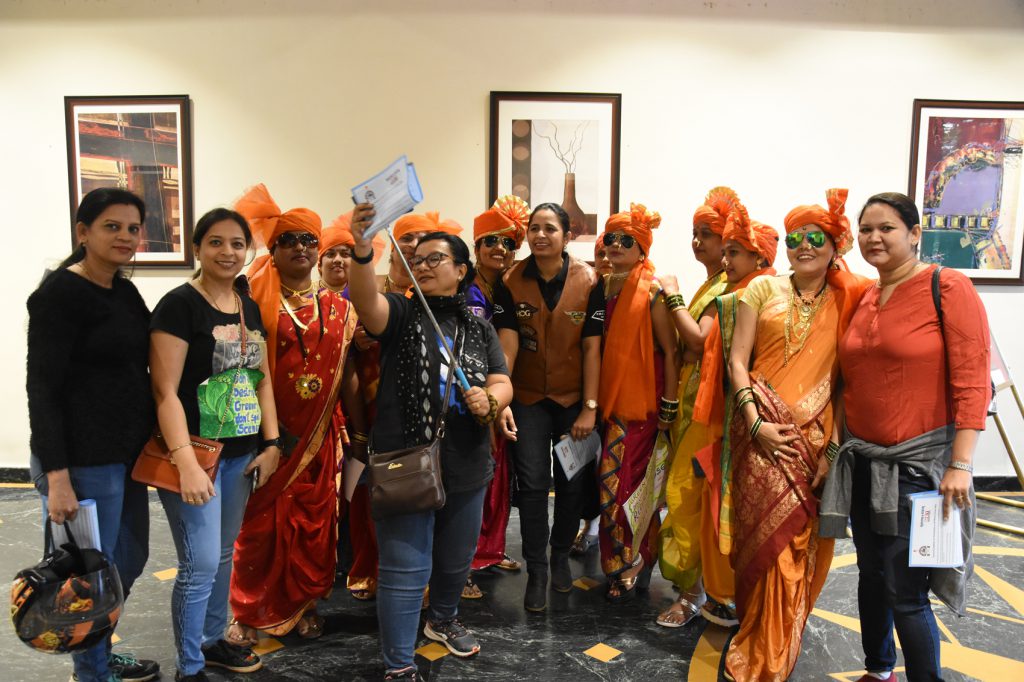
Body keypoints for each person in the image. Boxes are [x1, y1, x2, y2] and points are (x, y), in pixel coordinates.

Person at [822, 192, 988, 682]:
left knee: (906, 593)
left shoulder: (947, 287)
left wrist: (961, 464)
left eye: (887, 228)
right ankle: (879, 670)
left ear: (915, 234)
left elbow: (972, 380)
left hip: (918, 469)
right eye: (866, 229)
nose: (874, 237)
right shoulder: (865, 296)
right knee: (871, 577)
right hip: (863, 462)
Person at [347, 203, 513, 681]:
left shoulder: (480, 328)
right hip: (405, 460)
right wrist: (362, 248)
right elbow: (366, 303)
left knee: (456, 560)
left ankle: (442, 620)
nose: (422, 266)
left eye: (435, 259)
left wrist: (492, 399)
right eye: (417, 260)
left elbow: (502, 379)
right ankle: (399, 663)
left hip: (467, 460)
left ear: (461, 270)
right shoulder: (400, 313)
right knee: (404, 569)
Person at [723, 189, 868, 682]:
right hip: (758, 432)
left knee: (794, 545)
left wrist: (833, 448)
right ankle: (754, 632)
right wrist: (755, 423)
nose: (804, 246)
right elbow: (737, 361)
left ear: (835, 245)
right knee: (759, 542)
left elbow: (846, 383)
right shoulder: (761, 290)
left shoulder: (850, 298)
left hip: (813, 442)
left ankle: (775, 644)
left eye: (815, 238)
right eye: (794, 239)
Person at [27, 187, 159, 682]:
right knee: (87, 576)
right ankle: (92, 672)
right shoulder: (59, 296)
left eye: (133, 228)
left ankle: (98, 650)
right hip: (82, 460)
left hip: (126, 454)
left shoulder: (123, 291)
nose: (125, 236)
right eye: (112, 226)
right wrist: (57, 477)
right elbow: (42, 390)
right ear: (83, 232)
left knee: (129, 558)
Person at [150, 207, 282, 682]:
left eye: (237, 243)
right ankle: (189, 666)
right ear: (197, 248)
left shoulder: (248, 306)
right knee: (200, 563)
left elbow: (261, 379)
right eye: (216, 242)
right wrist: (185, 463)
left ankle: (210, 641)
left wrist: (273, 442)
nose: (227, 252)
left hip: (240, 454)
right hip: (195, 455)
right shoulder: (178, 305)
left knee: (224, 553)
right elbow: (164, 392)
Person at [228, 185, 364, 641]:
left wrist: (359, 433)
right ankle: (247, 611)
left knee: (314, 524)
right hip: (265, 435)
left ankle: (303, 604)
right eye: (290, 240)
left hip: (319, 437)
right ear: (274, 249)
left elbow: (348, 374)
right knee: (259, 527)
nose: (301, 248)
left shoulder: (341, 309)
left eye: (309, 240)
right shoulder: (251, 301)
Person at [491, 202, 604, 612]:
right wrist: (501, 396)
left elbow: (592, 349)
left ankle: (559, 556)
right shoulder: (510, 281)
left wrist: (590, 407)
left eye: (550, 228)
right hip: (527, 399)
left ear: (567, 235)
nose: (540, 235)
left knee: (572, 482)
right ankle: (537, 569)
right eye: (534, 228)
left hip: (574, 400)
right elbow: (507, 344)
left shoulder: (590, 280)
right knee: (534, 484)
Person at [346, 212, 462, 602]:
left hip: (439, 432)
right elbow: (362, 309)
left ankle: (432, 596)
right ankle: (379, 576)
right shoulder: (384, 296)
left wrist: (495, 400)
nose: (415, 249)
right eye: (408, 240)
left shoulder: (452, 307)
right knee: (383, 502)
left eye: (426, 244)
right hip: (382, 420)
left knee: (435, 513)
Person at [689, 202, 780, 629]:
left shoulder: (753, 298)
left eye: (734, 253)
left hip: (742, 419)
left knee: (725, 508)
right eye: (724, 252)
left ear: (759, 258)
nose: (725, 261)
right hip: (739, 417)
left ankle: (729, 597)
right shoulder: (742, 293)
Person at [656, 187, 738, 627]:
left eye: (707, 234)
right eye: (695, 232)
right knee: (686, 493)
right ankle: (696, 589)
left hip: (708, 406)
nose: (697, 241)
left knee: (691, 495)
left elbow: (699, 340)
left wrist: (671, 295)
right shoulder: (712, 282)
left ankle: (693, 594)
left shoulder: (727, 286)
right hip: (692, 399)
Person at [596, 204, 680, 599]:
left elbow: (671, 351)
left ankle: (635, 558)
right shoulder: (603, 286)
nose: (615, 245)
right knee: (610, 483)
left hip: (644, 406)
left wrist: (669, 406)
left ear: (642, 248)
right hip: (610, 403)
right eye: (611, 238)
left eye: (626, 241)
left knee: (631, 485)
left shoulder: (653, 291)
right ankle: (617, 559)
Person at [466, 196, 531, 594]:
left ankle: (489, 550)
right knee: (473, 476)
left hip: (500, 392)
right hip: (470, 394)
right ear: (476, 247)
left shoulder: (506, 289)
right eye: (490, 240)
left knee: (498, 474)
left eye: (507, 243)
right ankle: (463, 563)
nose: (499, 249)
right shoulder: (466, 289)